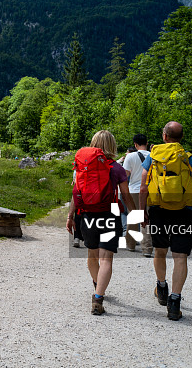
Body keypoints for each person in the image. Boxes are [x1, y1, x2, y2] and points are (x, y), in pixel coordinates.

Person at [140, 121, 192, 321]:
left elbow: (143, 188)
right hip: (184, 211)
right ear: (181, 137)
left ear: (164, 136)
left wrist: (142, 211)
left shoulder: (152, 157)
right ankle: (175, 301)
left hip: (158, 209)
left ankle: (161, 288)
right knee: (180, 257)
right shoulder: (190, 159)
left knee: (160, 250)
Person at [66, 130, 136, 315]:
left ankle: (98, 285)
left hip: (87, 215)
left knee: (92, 255)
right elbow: (126, 195)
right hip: (110, 214)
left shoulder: (82, 167)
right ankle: (98, 298)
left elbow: (76, 192)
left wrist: (70, 216)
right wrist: (136, 213)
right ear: (112, 145)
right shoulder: (116, 168)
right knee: (106, 259)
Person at [122, 134, 152, 255]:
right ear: (147, 142)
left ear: (135, 144)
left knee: (133, 217)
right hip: (150, 190)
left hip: (134, 190)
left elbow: (125, 175)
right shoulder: (153, 155)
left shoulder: (131, 156)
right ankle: (147, 249)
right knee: (148, 219)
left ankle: (131, 245)